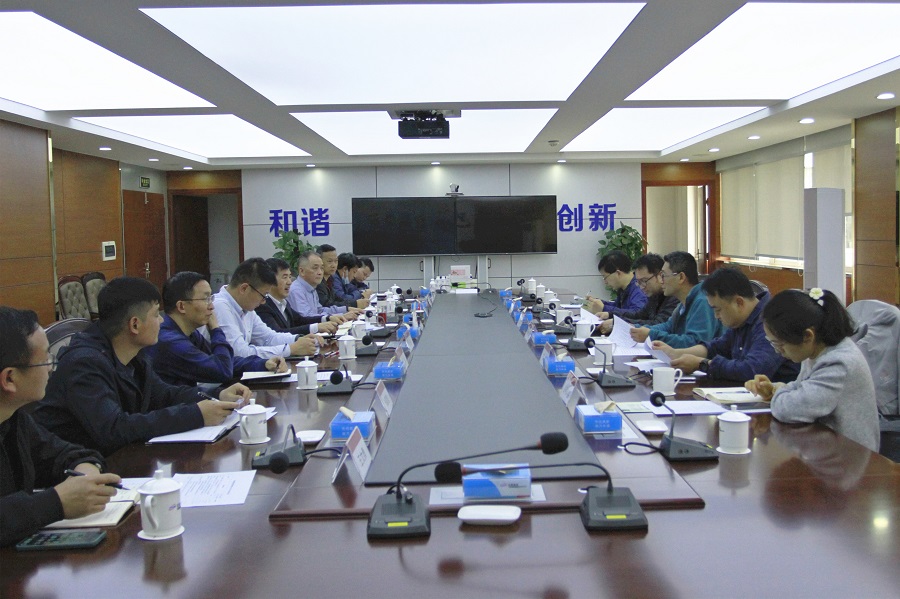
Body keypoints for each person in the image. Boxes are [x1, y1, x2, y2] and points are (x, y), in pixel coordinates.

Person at [32, 277, 249, 456]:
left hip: (119, 458)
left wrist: (217, 394)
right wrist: (195, 415)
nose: (162, 321)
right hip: (76, 470)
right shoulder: (84, 363)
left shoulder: (135, 353)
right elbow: (114, 429)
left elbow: (164, 394)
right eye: (156, 315)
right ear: (135, 324)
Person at [1, 307, 123, 547]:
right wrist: (56, 503)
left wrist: (86, 472)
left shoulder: (15, 419)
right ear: (9, 378)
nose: (51, 366)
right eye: (45, 359)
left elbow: (64, 453)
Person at [745, 288, 879, 452]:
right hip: (828, 447)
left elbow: (789, 409)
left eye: (779, 344)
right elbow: (801, 388)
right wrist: (773, 389)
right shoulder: (818, 351)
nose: (778, 351)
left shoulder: (838, 363)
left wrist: (779, 392)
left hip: (850, 456)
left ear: (808, 336)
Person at [651, 267, 799, 383]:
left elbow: (752, 370)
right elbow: (717, 347)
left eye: (718, 310)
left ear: (739, 302)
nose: (716, 316)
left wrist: (702, 364)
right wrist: (677, 353)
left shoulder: (771, 321)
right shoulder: (741, 320)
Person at [148, 271, 288, 387]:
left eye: (211, 298)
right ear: (181, 306)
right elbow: (222, 370)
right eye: (205, 299)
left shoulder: (190, 333)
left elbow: (226, 361)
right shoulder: (170, 341)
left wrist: (263, 363)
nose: (212, 306)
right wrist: (215, 329)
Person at [213, 258, 319, 359]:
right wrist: (290, 349)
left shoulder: (245, 307)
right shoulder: (220, 306)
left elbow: (268, 338)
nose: (264, 301)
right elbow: (239, 353)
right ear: (244, 288)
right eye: (263, 295)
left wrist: (298, 339)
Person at [629, 251, 724, 348]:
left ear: (681, 277)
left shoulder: (703, 301)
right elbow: (668, 327)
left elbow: (695, 343)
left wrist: (651, 335)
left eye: (663, 275)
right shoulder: (684, 301)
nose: (661, 281)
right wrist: (637, 329)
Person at [595, 253, 678, 334]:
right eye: (638, 282)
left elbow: (658, 324)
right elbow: (638, 315)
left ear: (660, 275)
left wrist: (619, 323)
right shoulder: (654, 295)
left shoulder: (674, 297)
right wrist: (611, 315)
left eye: (644, 281)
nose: (641, 287)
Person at [256, 258, 340, 336]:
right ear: (270, 280)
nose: (289, 282)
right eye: (284, 277)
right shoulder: (263, 305)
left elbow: (300, 320)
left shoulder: (284, 302)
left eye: (289, 277)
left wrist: (327, 318)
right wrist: (316, 327)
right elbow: (277, 334)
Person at [289, 250, 360, 319]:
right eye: (315, 268)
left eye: (322, 268)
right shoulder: (296, 291)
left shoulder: (312, 288)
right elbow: (307, 318)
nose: (320, 272)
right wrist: (335, 317)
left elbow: (320, 310)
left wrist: (346, 309)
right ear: (302, 271)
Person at [585, 250, 647, 317]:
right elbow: (618, 307)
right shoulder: (624, 287)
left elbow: (637, 314)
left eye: (605, 277)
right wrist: (598, 302)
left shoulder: (639, 288)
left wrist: (604, 308)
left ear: (618, 273)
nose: (605, 282)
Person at [316, 245, 368, 310]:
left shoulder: (330, 279)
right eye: (329, 261)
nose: (334, 265)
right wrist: (355, 304)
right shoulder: (317, 282)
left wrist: (354, 303)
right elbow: (327, 305)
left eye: (336, 261)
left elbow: (337, 299)